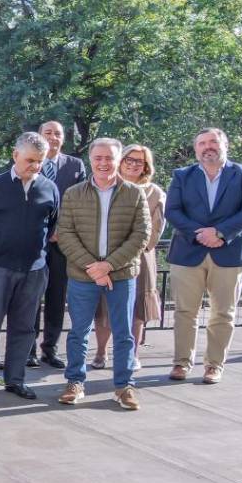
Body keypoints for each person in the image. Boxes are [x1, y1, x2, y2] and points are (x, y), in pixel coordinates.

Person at [54, 138, 151, 410]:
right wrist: (93, 267)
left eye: (109, 157)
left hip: (121, 276)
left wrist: (108, 266)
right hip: (82, 276)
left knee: (123, 333)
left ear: (118, 160)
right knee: (78, 332)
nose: (103, 163)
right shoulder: (73, 193)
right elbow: (66, 235)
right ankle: (75, 382)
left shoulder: (134, 193)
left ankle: (123, 386)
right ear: (90, 159)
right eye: (98, 157)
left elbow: (141, 235)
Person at [165, 127, 242, 385]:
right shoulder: (182, 176)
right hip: (189, 250)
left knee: (223, 313)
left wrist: (219, 232)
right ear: (196, 148)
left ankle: (214, 366)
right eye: (202, 143)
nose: (207, 146)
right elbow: (172, 211)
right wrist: (199, 234)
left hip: (229, 252)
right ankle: (181, 363)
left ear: (225, 145)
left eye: (213, 142)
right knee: (185, 311)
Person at [0, 132, 60, 400]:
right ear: (15, 156)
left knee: (24, 328)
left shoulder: (50, 188)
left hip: (34, 270)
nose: (35, 166)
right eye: (30, 160)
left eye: (40, 161)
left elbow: (52, 225)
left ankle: (15, 379)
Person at [92, 144, 166, 368]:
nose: (134, 164)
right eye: (129, 159)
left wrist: (127, 250)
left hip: (139, 258)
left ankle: (131, 355)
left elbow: (154, 231)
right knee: (104, 306)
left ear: (146, 166)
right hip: (106, 257)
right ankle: (101, 352)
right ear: (121, 161)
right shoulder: (106, 187)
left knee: (136, 309)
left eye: (139, 161)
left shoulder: (155, 193)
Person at [34, 120, 88, 368]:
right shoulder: (30, 163)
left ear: (63, 138)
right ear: (39, 136)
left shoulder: (75, 165)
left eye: (57, 133)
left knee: (57, 299)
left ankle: (50, 349)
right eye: (48, 133)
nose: (53, 137)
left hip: (63, 245)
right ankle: (28, 350)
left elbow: (83, 203)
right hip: (34, 243)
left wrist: (61, 230)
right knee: (31, 297)